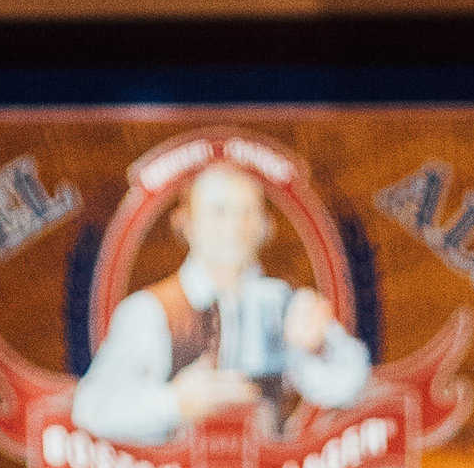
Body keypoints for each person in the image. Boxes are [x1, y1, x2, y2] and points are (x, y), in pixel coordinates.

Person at [71, 157, 372, 443]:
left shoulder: (284, 304)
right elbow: (91, 408)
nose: (235, 226)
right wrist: (175, 402)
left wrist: (319, 346)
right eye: (219, 211)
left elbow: (353, 386)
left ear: (266, 226)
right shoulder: (149, 310)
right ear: (185, 224)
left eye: (247, 212)